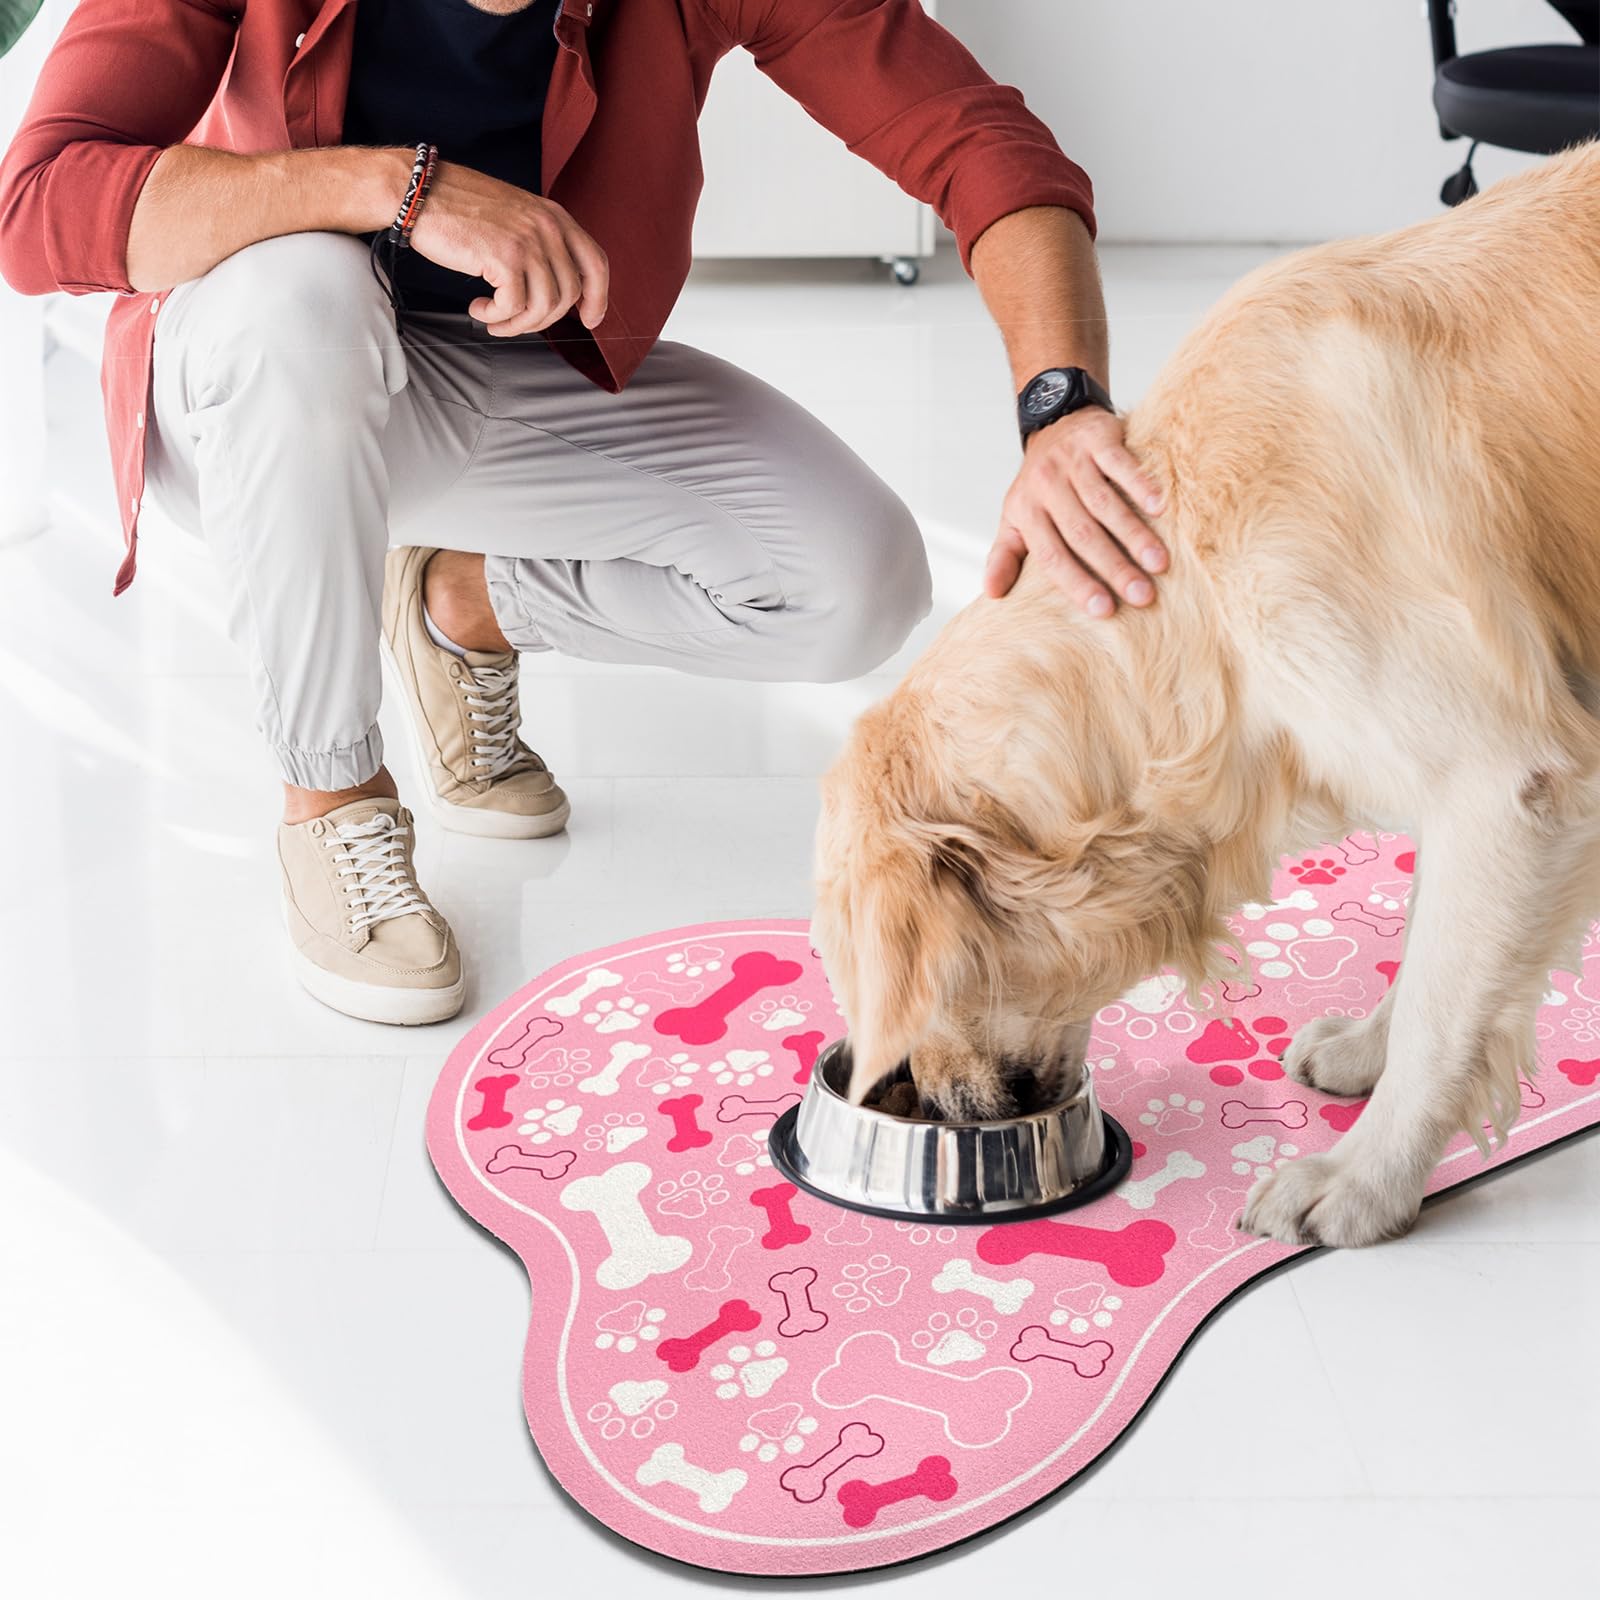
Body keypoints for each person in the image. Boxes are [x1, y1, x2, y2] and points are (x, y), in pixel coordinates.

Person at [0, 0, 1168, 1026]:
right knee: (298, 289)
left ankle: (458, 599)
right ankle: (333, 796)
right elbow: (38, 203)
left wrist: (1061, 407)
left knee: (854, 578)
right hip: (244, 394)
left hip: (485, 378)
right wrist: (394, 186)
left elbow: (977, 137)